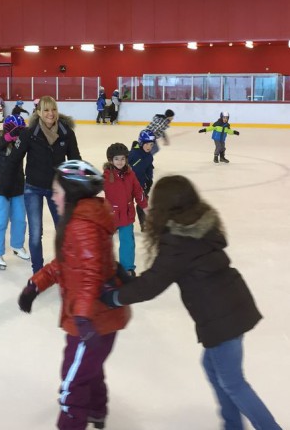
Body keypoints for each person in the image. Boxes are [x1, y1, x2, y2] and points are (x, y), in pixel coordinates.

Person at [101, 175, 282, 430]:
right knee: (213, 367)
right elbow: (156, 277)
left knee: (233, 383)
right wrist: (127, 280)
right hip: (234, 304)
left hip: (221, 318)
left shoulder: (178, 242)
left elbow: (152, 284)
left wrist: (114, 297)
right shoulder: (199, 226)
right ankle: (232, 425)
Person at [18, 160, 131, 430]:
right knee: (88, 370)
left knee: (72, 383)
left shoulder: (81, 226)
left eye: (57, 191)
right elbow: (66, 263)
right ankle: (96, 410)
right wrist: (36, 285)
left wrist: (82, 317)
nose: (53, 197)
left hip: (92, 321)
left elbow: (90, 274)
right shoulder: (83, 219)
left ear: (71, 193)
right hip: (99, 319)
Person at [3, 95, 81, 273]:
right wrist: (7, 183)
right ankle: (38, 270)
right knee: (36, 233)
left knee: (64, 231)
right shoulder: (29, 133)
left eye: (53, 109)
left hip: (57, 189)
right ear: (38, 112)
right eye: (46, 110)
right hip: (33, 188)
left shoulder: (66, 132)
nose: (50, 113)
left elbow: (75, 160)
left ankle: (66, 268)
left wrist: (78, 186)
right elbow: (14, 159)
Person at [0, 115, 29, 270]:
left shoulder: (21, 141)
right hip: (1, 188)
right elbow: (1, 142)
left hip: (17, 187)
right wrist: (11, 135)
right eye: (17, 130)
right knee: (0, 221)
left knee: (19, 219)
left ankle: (17, 246)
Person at [103, 143, 147, 276]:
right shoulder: (106, 176)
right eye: (116, 159)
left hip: (127, 215)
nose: (120, 162)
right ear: (110, 160)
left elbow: (138, 191)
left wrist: (145, 206)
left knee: (128, 242)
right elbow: (92, 188)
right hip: (110, 216)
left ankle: (127, 268)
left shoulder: (130, 174)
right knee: (104, 242)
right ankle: (104, 267)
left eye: (122, 159)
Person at [128, 130, 156, 231]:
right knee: (126, 204)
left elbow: (149, 169)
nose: (149, 147)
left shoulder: (149, 157)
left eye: (151, 144)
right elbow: (122, 165)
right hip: (128, 185)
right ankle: (120, 222)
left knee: (143, 203)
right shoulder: (133, 154)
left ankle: (143, 224)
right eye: (147, 144)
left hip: (141, 184)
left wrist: (149, 181)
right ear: (141, 143)